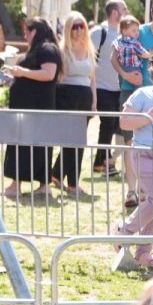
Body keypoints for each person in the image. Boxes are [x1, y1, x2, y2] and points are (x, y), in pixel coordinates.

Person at [2, 18, 61, 198]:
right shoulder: (38, 50)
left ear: (34, 31)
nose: (25, 36)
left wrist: (22, 72)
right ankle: (21, 184)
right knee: (24, 144)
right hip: (28, 108)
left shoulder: (47, 49)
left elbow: (49, 74)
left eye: (27, 32)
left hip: (36, 109)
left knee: (34, 145)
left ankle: (38, 185)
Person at [117, 56, 153, 269]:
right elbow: (124, 122)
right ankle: (124, 230)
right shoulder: (142, 94)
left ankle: (144, 252)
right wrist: (149, 117)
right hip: (144, 152)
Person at [50, 12, 98, 195]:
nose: (78, 30)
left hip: (84, 96)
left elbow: (93, 78)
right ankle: (72, 183)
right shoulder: (62, 51)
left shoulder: (89, 50)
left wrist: (94, 102)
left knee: (79, 140)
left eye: (82, 26)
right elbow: (59, 77)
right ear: (69, 29)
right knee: (70, 140)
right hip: (66, 96)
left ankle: (57, 174)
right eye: (75, 26)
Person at [93, 0, 129, 176]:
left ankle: (105, 163)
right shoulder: (100, 32)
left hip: (118, 89)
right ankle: (101, 162)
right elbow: (88, 55)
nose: (127, 11)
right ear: (115, 13)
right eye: (124, 9)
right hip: (101, 87)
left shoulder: (124, 34)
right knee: (107, 123)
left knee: (115, 125)